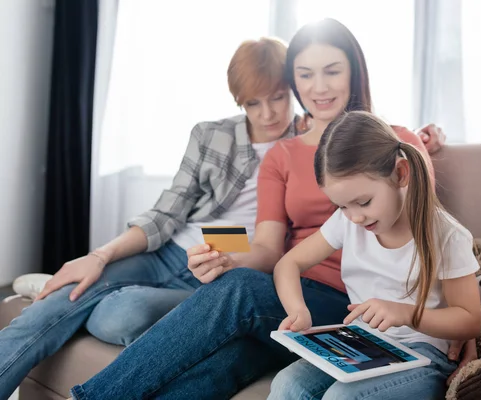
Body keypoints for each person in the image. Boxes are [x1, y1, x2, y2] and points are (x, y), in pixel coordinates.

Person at [66, 19, 455, 400]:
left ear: (355, 72)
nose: (318, 87)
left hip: (358, 304)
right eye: (304, 75)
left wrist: (460, 324)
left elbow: (430, 231)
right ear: (294, 82)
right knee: (220, 365)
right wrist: (227, 263)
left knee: (238, 291)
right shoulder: (281, 154)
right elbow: (269, 249)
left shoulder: (398, 142)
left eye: (332, 71)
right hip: (291, 299)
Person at [0, 37, 306, 400]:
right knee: (56, 304)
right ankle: (78, 289)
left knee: (119, 316)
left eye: (278, 97)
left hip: (221, 273)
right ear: (239, 101)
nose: (268, 114)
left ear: (293, 91)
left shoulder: (307, 143)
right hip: (170, 250)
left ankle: (100, 296)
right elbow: (167, 211)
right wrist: (99, 256)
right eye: (254, 103)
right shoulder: (211, 134)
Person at [268, 110, 481, 399]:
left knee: (342, 398)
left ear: (400, 173)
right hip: (362, 342)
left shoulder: (446, 235)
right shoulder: (348, 222)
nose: (355, 217)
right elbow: (289, 264)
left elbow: (469, 320)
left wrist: (406, 313)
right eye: (342, 206)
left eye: (363, 202)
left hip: (424, 352)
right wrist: (298, 311)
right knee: (287, 384)